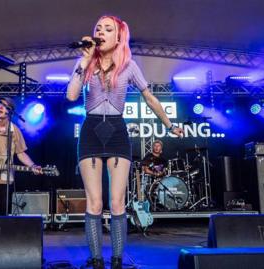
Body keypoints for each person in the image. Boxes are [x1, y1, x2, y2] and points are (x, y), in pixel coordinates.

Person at [66, 15, 184, 269]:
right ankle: (96, 260)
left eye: (108, 29)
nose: (101, 32)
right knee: (95, 202)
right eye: (98, 28)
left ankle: (117, 260)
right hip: (91, 130)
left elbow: (150, 98)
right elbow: (71, 94)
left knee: (117, 201)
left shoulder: (129, 65)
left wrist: (169, 125)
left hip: (118, 132)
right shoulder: (85, 62)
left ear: (119, 36)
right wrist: (84, 60)